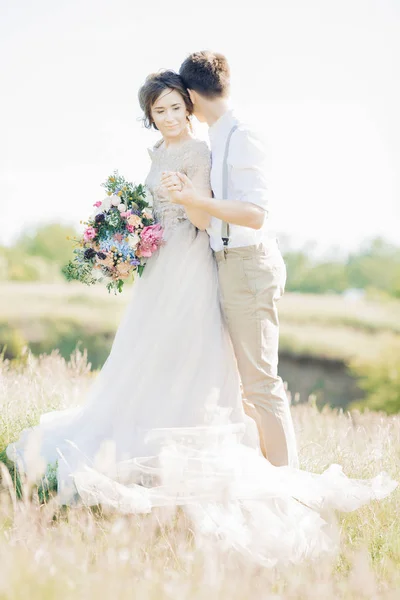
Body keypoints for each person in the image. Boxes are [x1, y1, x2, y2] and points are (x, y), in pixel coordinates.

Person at [6, 68, 396, 567]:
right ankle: (141, 445)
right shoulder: (158, 153)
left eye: (175, 108)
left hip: (191, 265)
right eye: (159, 111)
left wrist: (186, 196)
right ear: (149, 116)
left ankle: (199, 463)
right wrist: (124, 243)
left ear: (189, 108)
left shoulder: (198, 153)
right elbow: (153, 214)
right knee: (146, 357)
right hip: (158, 269)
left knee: (190, 356)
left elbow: (203, 219)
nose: (168, 117)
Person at [161, 51, 298, 467]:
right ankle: (262, 472)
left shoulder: (243, 134)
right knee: (238, 385)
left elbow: (255, 214)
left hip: (249, 263)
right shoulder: (218, 135)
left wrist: (195, 199)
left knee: (260, 384)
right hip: (225, 262)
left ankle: (286, 483)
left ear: (191, 95)